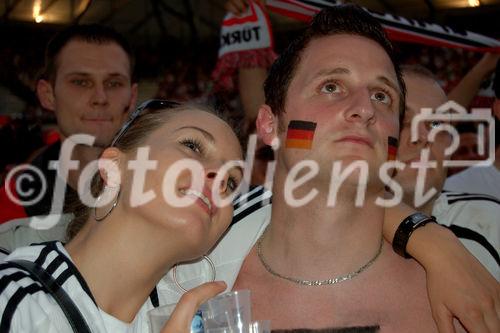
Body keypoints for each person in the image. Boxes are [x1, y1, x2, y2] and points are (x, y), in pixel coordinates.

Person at [157, 5, 499, 332]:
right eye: (331, 87)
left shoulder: (473, 279)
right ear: (270, 125)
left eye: (382, 96)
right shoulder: (183, 278)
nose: (365, 109)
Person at [0, 101, 244, 332]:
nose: (220, 178)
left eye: (232, 181)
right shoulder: (14, 300)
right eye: (192, 145)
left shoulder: (188, 320)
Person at [0, 24, 138, 224]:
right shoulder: (12, 208)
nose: (100, 98)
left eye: (114, 83)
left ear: (132, 97)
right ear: (48, 95)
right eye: (80, 82)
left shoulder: (168, 189)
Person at [394, 65, 499, 279]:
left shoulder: (492, 222)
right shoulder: (322, 234)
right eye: (401, 120)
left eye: (435, 123)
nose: (422, 136)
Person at [444, 59, 500, 199]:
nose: (472, 156)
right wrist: (485, 65)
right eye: (463, 151)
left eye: (476, 149)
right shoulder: (447, 194)